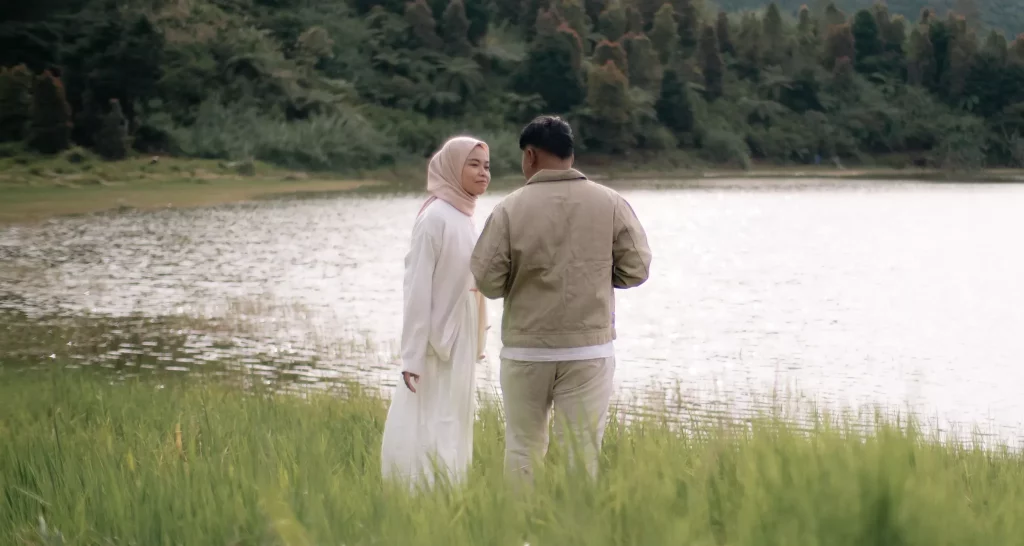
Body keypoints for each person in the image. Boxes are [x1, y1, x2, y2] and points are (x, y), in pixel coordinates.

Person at [470, 116, 652, 481]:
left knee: (522, 447)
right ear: (570, 153)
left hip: (526, 351)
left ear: (531, 155)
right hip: (588, 350)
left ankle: (517, 518)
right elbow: (637, 268)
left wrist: (519, 283)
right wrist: (597, 279)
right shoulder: (611, 203)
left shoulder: (508, 209)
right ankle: (575, 517)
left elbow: (487, 280)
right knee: (581, 452)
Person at [380, 136, 491, 488]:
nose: (483, 173)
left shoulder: (465, 215)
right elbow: (417, 287)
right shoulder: (435, 217)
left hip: (461, 328)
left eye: (487, 166)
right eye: (473, 165)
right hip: (437, 335)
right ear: (452, 168)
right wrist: (412, 356)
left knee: (454, 412)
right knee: (432, 414)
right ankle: (418, 487)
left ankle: (449, 485)